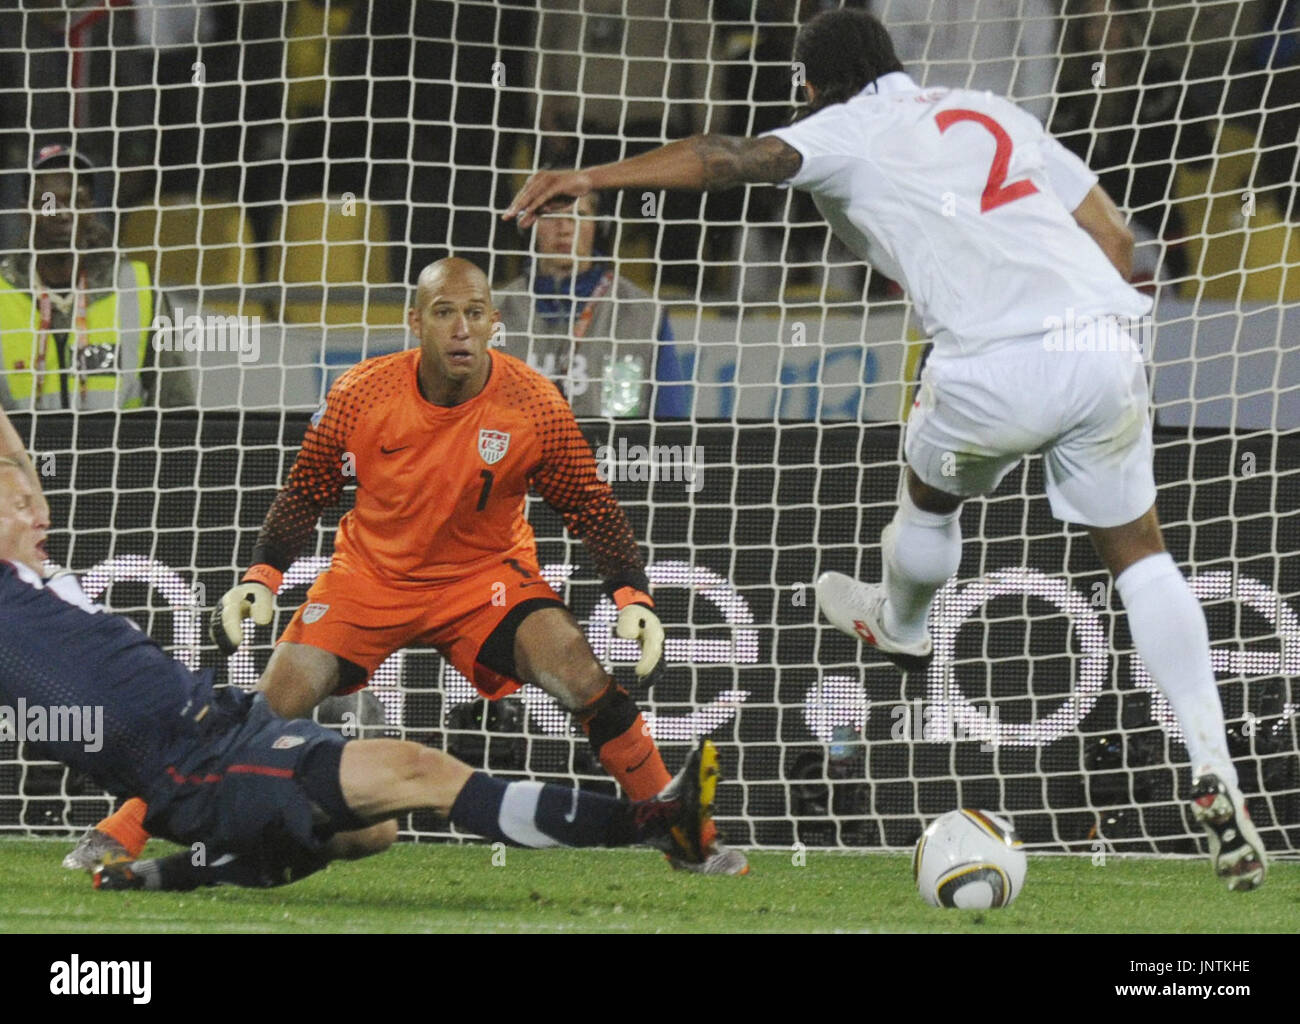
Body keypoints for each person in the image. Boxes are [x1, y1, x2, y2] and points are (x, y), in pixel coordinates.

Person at [505, 8, 1267, 891]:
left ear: (809, 83)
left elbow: (725, 160)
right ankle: (1213, 762)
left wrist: (591, 174)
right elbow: (1117, 236)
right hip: (1103, 344)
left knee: (928, 489)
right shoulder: (993, 112)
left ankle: (900, 622)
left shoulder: (845, 126)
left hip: (987, 365)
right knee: (1142, 560)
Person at [66, 257, 747, 877]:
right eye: (444, 312)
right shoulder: (362, 393)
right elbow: (306, 491)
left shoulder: (535, 404)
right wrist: (262, 577)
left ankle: (686, 832)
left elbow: (591, 506)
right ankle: (121, 830)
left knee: (584, 677)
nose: (461, 329)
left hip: (484, 579)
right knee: (264, 715)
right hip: (369, 579)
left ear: (494, 323)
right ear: (415, 321)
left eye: (475, 313)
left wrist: (633, 595)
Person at [0, 442, 716, 891]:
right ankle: (652, 821)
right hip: (201, 768)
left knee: (373, 831)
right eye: (18, 506)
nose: (39, 513)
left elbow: (21, 475)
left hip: (225, 727)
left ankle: (183, 871)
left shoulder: (44, 576)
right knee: (418, 772)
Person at [0, 144, 195, 411]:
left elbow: (176, 402)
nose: (63, 213)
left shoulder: (135, 288)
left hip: (118, 451)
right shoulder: (2, 293)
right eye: (48, 202)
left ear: (90, 210)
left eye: (76, 201)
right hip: (25, 453)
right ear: (26, 211)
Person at [495, 192, 692, 419]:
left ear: (599, 227)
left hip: (609, 453)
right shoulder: (496, 311)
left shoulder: (643, 313)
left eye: (579, 215)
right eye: (550, 216)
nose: (565, 228)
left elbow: (671, 422)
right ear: (529, 225)